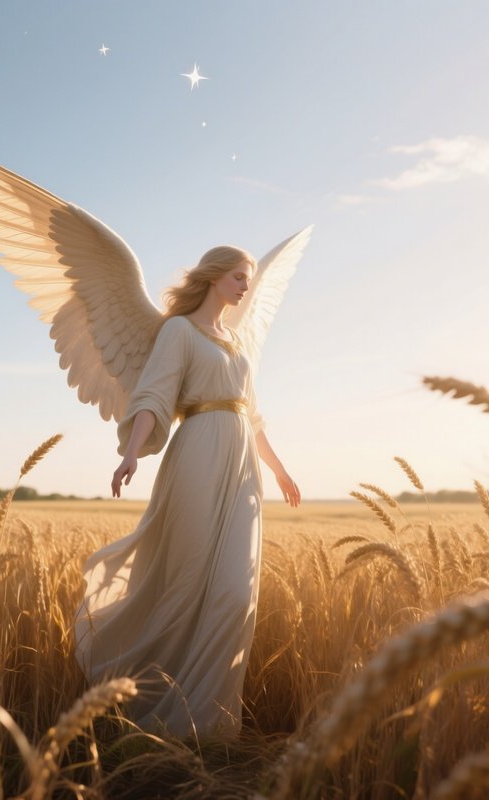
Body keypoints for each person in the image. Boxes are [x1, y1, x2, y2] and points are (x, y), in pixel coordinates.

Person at [73, 245, 301, 739]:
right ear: (216, 277)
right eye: (240, 277)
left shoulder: (236, 343)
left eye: (249, 279)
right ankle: (164, 717)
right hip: (197, 454)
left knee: (237, 595)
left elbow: (251, 413)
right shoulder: (177, 331)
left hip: (243, 469)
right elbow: (154, 394)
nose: (246, 287)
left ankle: (212, 724)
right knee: (187, 579)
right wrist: (131, 451)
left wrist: (280, 471)